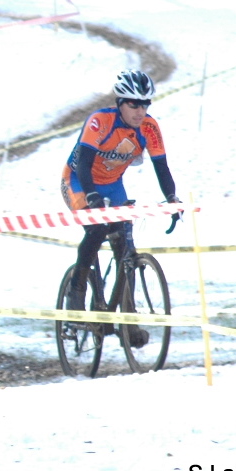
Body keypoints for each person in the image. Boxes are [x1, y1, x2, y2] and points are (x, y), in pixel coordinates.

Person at [61, 70, 181, 323]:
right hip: (79, 181)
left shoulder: (149, 127)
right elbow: (83, 164)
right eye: (133, 104)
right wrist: (92, 196)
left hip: (113, 185)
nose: (140, 111)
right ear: (120, 103)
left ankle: (128, 318)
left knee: (124, 246)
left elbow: (162, 167)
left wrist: (172, 197)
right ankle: (77, 291)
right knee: (96, 230)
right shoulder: (100, 121)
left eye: (145, 104)